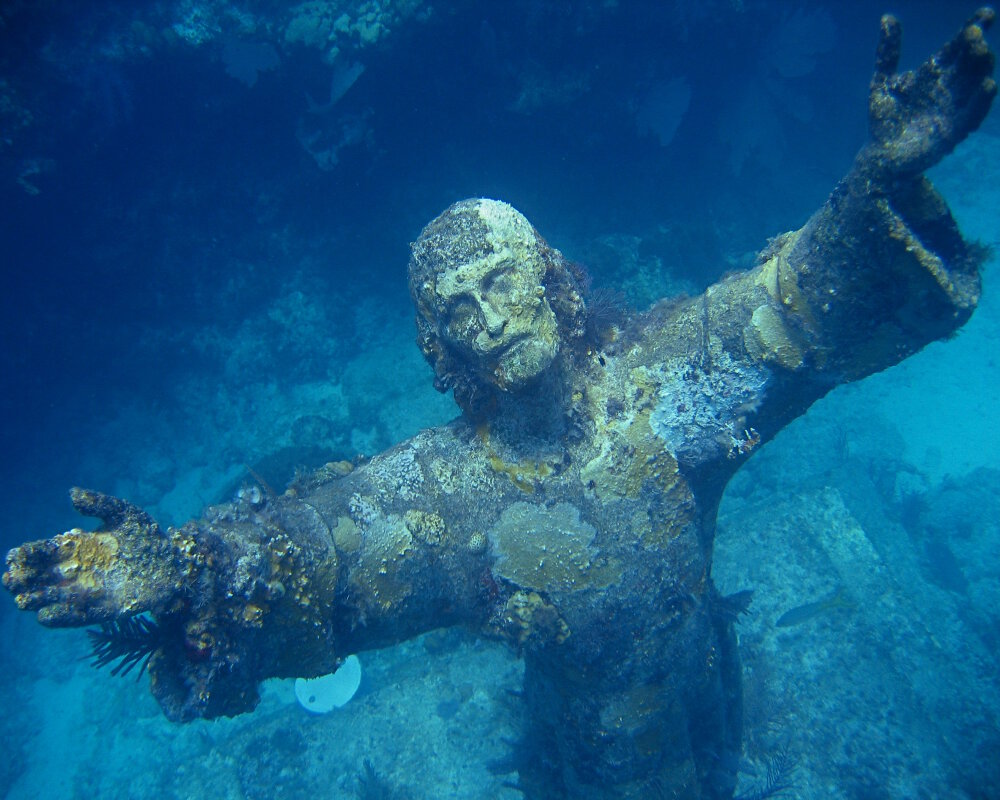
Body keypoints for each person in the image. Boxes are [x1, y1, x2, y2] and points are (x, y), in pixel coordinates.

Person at [3, 11, 995, 799]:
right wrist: (189, 571)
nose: (485, 318)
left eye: (498, 279)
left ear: (553, 280)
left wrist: (874, 182)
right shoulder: (448, 493)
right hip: (597, 763)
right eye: (454, 308)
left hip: (703, 680)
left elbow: (786, 308)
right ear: (440, 346)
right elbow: (326, 549)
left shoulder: (665, 385)